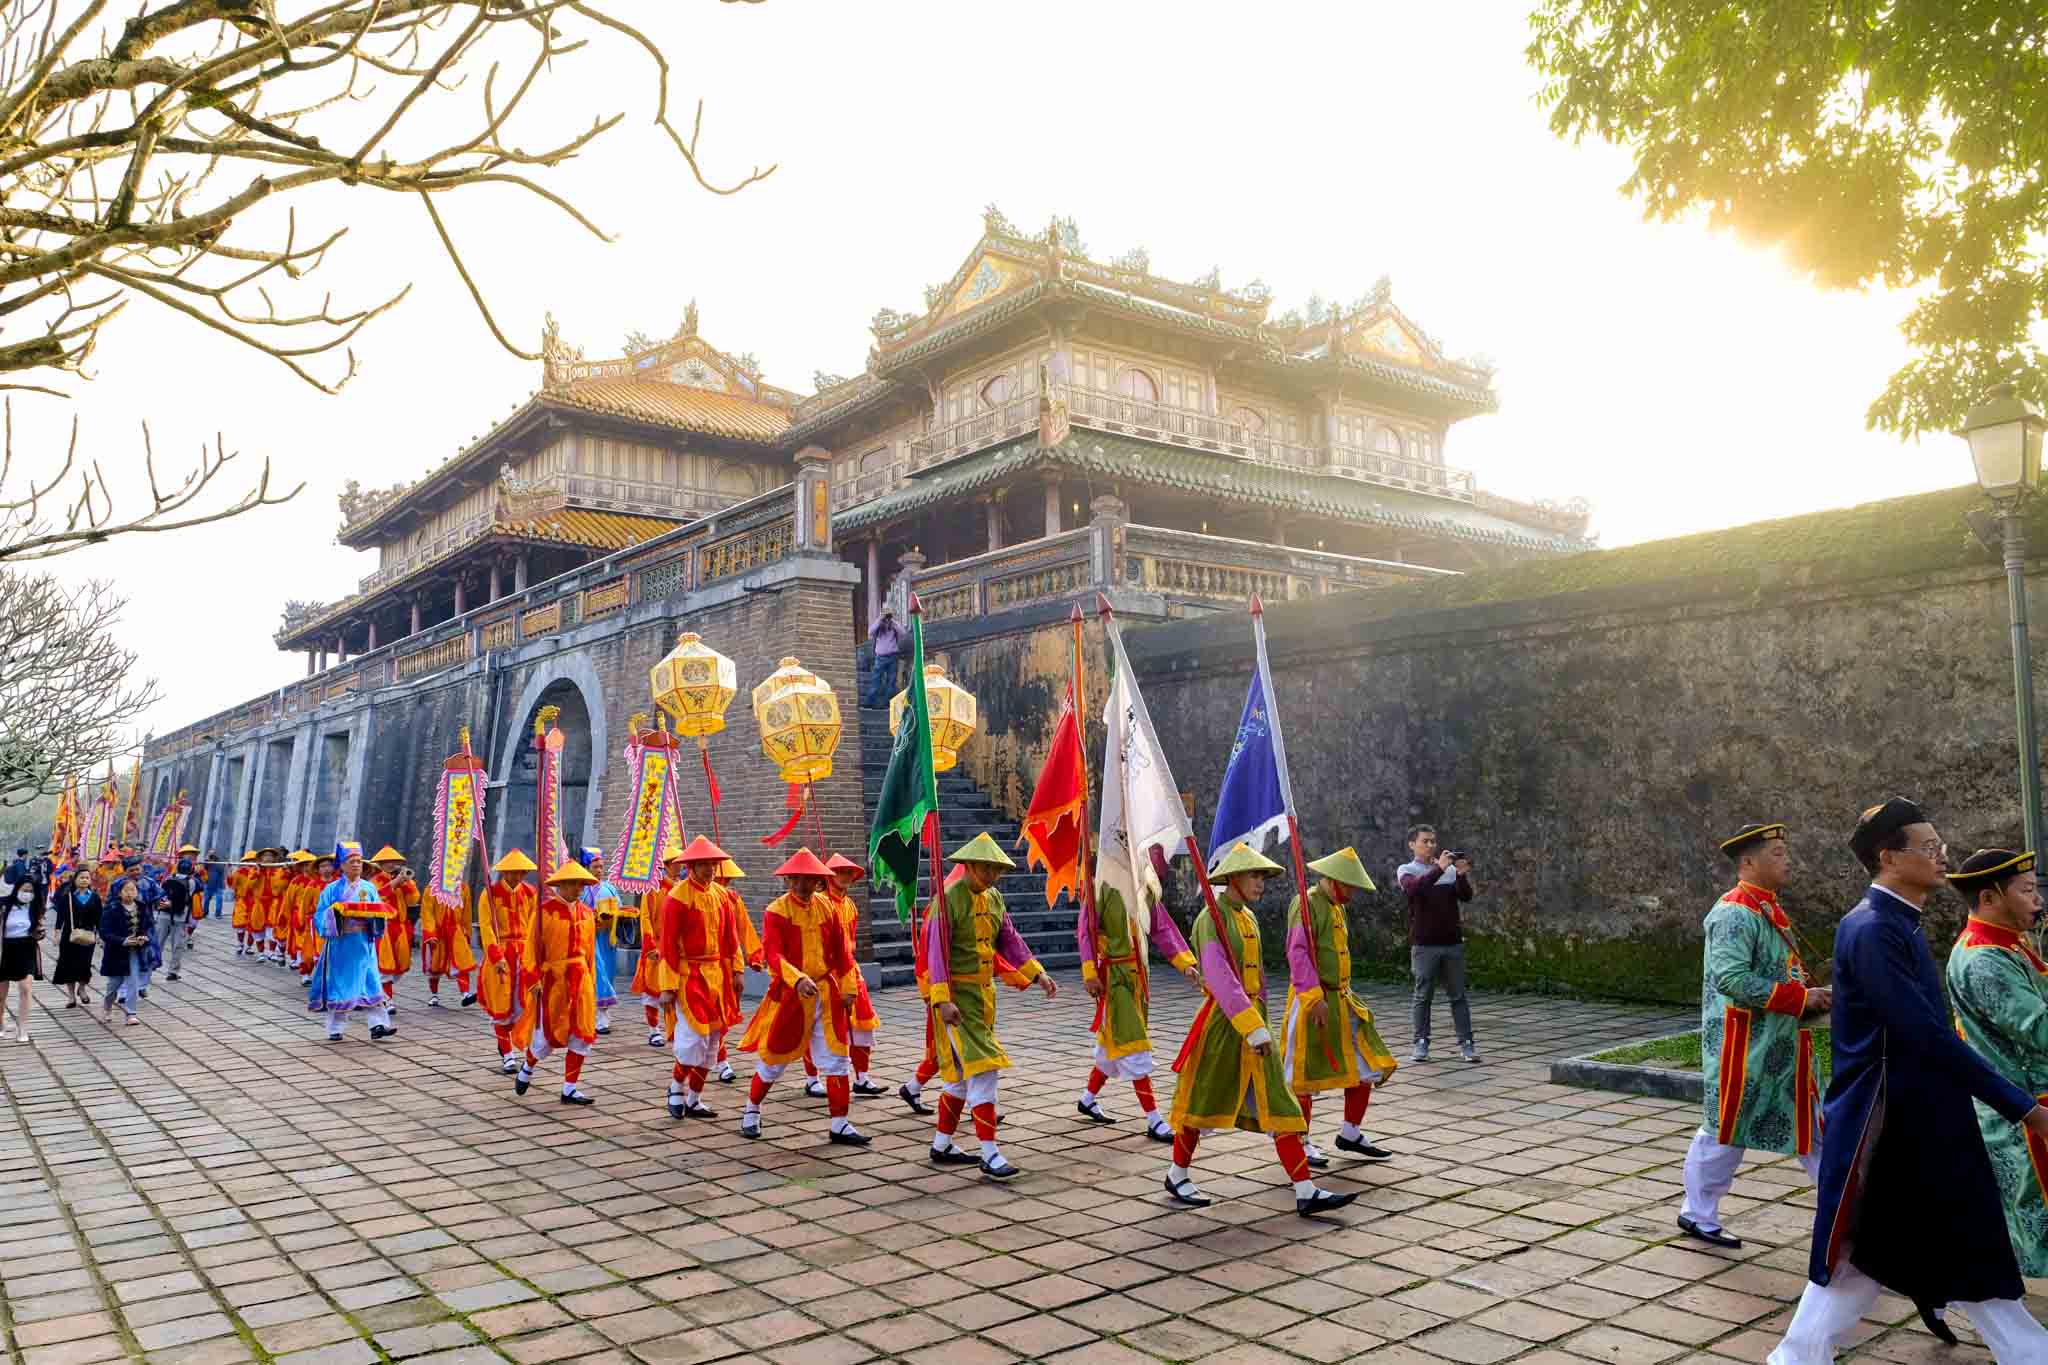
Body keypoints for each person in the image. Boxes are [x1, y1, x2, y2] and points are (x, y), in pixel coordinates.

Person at [1767, 799, 2048, 1365]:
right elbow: (1924, 1035)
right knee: (1883, 1248)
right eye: (1928, 847)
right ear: (1888, 857)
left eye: (1939, 845)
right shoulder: (1874, 929)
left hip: (1921, 1113)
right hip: (1893, 1120)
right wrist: (2025, 1108)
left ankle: (1797, 1356)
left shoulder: (1895, 922)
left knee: (1899, 1246)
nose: (1942, 855)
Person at [1165, 842, 1358, 1216]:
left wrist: (1263, 1022)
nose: (1261, 884)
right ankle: (1177, 1174)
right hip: (1224, 1027)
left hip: (1256, 1026)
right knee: (1200, 1103)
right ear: (1234, 878)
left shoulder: (1248, 918)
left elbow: (1260, 980)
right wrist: (1252, 1027)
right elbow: (1219, 978)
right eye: (1254, 876)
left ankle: (1305, 1190)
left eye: (1262, 877)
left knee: (1280, 1104)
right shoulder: (1210, 919)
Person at [1678, 822, 1828, 1250]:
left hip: (1782, 1043)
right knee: (1724, 1130)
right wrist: (1801, 998)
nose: (1788, 860)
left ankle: (1849, 1214)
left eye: (1785, 852)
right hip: (1744, 1046)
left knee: (1817, 1129)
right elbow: (1731, 979)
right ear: (1747, 862)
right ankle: (1697, 1212)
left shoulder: (1765, 906)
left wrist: (1812, 994)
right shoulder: (1734, 912)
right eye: (1777, 854)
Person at [926, 833, 1057, 1178]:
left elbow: (1009, 939)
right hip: (957, 1000)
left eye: (997, 869)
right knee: (985, 1069)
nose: (992, 875)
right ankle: (990, 1152)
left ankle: (942, 1145)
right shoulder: (947, 900)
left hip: (984, 999)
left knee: (960, 1078)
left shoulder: (995, 898)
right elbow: (936, 953)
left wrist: (1037, 973)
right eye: (987, 868)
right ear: (969, 866)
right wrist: (942, 1000)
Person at [1946, 848, 2048, 1277]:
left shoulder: (2006, 942)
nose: (2037, 900)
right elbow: (2040, 1029)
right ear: (1989, 898)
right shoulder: (1984, 960)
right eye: (2026, 891)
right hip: (2024, 1107)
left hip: (2023, 1099)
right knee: (2036, 1219)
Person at [736, 847, 870, 1146]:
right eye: (796, 879)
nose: (802, 885)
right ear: (788, 880)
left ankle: (840, 1123)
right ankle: (752, 1110)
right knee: (774, 1058)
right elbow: (773, 954)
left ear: (818, 881)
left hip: (826, 992)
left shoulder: (828, 908)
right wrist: (796, 979)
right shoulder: (776, 911)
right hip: (791, 995)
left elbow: (842, 953)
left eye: (808, 879)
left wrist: (849, 988)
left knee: (838, 1059)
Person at [1283, 848, 1399, 1167]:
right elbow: (1297, 953)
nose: (1352, 893)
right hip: (1312, 1000)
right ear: (1334, 881)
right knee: (1303, 1074)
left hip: (1342, 999)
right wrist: (1312, 997)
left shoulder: (1337, 907)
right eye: (1349, 886)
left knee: (1367, 1063)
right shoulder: (1306, 903)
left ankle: (1350, 1132)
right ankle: (1300, 1140)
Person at [1077, 847, 1201, 1141]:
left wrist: (1185, 963)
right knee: (1134, 1046)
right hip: (1114, 980)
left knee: (1113, 1045)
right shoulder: (1099, 887)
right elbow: (1085, 932)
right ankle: (1154, 1119)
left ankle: (1087, 1099)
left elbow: (1161, 927)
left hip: (1138, 978)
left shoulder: (1143, 886)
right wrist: (1090, 973)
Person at [652, 837, 741, 1119]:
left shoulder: (722, 895)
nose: (710, 869)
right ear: (690, 866)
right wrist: (667, 986)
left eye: (712, 864)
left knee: (714, 1038)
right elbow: (668, 944)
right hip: (689, 974)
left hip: (717, 975)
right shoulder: (677, 897)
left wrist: (737, 970)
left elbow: (731, 937)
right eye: (703, 864)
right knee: (694, 1037)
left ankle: (694, 1098)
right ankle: (676, 1087)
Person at [513, 859, 600, 1106]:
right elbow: (530, 949)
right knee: (546, 1035)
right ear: (561, 885)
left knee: (582, 1033)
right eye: (573, 884)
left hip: (581, 979)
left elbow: (590, 954)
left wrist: (591, 983)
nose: (578, 889)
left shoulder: (587, 913)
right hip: (553, 980)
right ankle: (528, 1067)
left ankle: (570, 1088)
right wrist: (533, 979)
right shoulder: (544, 912)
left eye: (581, 884)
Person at [1395, 825, 1476, 1063]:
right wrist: (1439, 868)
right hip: (1424, 945)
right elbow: (1414, 890)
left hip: (1452, 943)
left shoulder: (1449, 871)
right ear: (1412, 844)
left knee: (1458, 996)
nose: (1431, 845)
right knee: (1423, 996)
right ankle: (1421, 1043)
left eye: (1433, 841)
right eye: (1425, 841)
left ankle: (1467, 1044)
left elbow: (1466, 896)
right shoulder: (1406, 870)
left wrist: (1460, 874)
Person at [308, 842, 397, 1042]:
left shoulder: (369, 887)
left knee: (370, 983)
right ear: (342, 865)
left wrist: (374, 920)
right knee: (342, 985)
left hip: (363, 943)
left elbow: (378, 911)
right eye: (352, 861)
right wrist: (336, 917)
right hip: (341, 944)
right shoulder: (331, 890)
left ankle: (378, 1025)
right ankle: (335, 1028)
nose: (357, 864)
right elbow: (320, 914)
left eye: (359, 861)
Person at [824, 854, 887, 1096]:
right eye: (840, 871)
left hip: (850, 969)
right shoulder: (820, 903)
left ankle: (862, 1078)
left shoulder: (850, 904)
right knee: (821, 1027)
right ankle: (812, 1079)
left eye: (849, 872)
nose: (845, 876)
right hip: (827, 973)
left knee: (863, 1023)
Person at [478, 849, 537, 1072]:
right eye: (513, 872)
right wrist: (496, 957)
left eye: (521, 872)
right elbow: (486, 927)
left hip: (524, 953)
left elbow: (535, 926)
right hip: (501, 952)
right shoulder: (490, 894)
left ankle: (517, 1044)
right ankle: (507, 1054)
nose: (517, 876)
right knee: (501, 1004)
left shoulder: (531, 893)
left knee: (523, 1004)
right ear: (504, 872)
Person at [712, 857, 761, 1083]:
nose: (725, 883)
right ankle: (719, 1061)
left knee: (721, 1016)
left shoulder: (732, 899)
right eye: (723, 879)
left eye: (727, 880)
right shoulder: (683, 896)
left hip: (727, 965)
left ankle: (716, 1058)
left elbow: (744, 929)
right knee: (706, 1019)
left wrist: (754, 956)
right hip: (696, 969)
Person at [632, 847, 687, 1048]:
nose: (681, 866)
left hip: (678, 949)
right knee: (652, 992)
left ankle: (676, 1030)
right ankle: (654, 1030)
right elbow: (645, 917)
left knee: (678, 990)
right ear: (666, 865)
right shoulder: (653, 888)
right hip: (657, 946)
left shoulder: (684, 888)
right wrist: (649, 946)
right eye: (676, 862)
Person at [580, 848, 624, 1035]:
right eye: (595, 867)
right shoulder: (581, 890)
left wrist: (616, 916)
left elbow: (620, 909)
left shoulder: (610, 888)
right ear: (586, 868)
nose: (599, 870)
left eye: (601, 867)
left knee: (607, 973)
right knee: (595, 975)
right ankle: (592, 1017)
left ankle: (603, 1017)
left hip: (607, 938)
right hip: (588, 938)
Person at [0, 852, 44, 1041]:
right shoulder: (4, 905)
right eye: (24, 890)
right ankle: (1, 1022)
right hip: (4, 948)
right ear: (17, 888)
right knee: (1, 993)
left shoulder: (34, 908)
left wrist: (39, 933)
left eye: (31, 891)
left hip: (26, 947)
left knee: (25, 988)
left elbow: (38, 928)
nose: (27, 894)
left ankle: (23, 1028)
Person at [420, 871, 478, 1008]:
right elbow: (427, 912)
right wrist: (430, 933)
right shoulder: (432, 888)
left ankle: (465, 993)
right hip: (438, 933)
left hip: (456, 932)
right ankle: (434, 994)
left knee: (461, 962)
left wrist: (466, 931)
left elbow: (467, 911)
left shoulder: (463, 888)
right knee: (435, 965)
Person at [99, 871, 148, 1026]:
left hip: (134, 951)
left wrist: (143, 937)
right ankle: (107, 1007)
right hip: (115, 952)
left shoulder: (141, 907)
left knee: (133, 981)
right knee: (114, 985)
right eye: (126, 890)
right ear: (119, 893)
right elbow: (104, 932)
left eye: (133, 889)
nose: (130, 893)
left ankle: (131, 1013)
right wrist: (123, 941)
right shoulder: (111, 908)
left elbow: (146, 926)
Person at [368, 846, 414, 1008]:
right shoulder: (374, 881)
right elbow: (376, 897)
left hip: (400, 928)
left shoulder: (404, 879)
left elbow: (413, 900)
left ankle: (373, 991)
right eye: (388, 861)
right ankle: (387, 1000)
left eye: (395, 861)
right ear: (380, 864)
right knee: (385, 966)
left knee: (400, 966)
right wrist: (394, 884)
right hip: (383, 927)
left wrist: (406, 884)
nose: (392, 864)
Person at [50, 865, 99, 1010]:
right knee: (68, 964)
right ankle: (71, 996)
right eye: (82, 877)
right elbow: (60, 917)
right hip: (69, 935)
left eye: (87, 878)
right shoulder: (68, 896)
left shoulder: (94, 897)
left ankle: (82, 988)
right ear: (75, 880)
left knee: (85, 964)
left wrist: (101, 935)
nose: (84, 880)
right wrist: (57, 934)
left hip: (88, 935)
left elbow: (99, 917)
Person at [157, 856, 194, 982]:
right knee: (177, 945)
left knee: (158, 943)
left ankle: (150, 966)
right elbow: (187, 899)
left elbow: (162, 894)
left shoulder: (168, 878)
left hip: (163, 914)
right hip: (180, 917)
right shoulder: (191, 882)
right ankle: (173, 972)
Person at [864, 608, 906, 709]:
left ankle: (887, 703)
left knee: (891, 681)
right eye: (886, 616)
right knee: (876, 680)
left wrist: (893, 621)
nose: (887, 619)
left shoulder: (893, 626)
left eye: (888, 616)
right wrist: (880, 619)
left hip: (892, 657)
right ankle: (870, 701)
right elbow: (870, 632)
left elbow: (903, 633)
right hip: (880, 657)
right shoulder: (879, 626)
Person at [203, 852, 225, 919]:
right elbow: (204, 865)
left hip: (218, 885)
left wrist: (213, 862)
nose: (211, 859)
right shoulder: (208, 864)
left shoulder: (219, 864)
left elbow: (221, 869)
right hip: (209, 885)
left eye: (212, 857)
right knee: (206, 899)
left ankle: (218, 914)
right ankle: (205, 912)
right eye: (210, 857)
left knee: (219, 899)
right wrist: (208, 856)